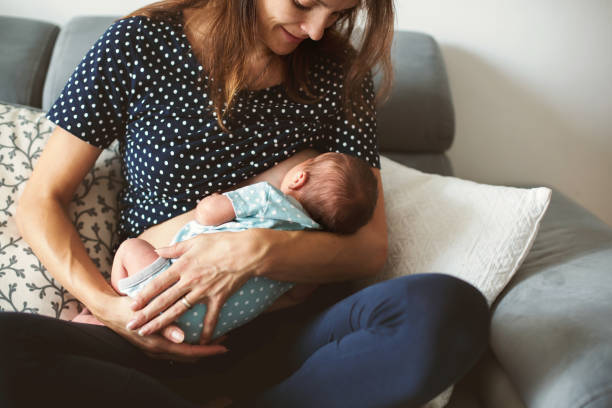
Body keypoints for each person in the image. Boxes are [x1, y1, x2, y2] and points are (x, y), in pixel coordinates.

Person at [2, 1, 490, 407]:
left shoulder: (341, 73)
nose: (318, 29)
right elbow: (40, 201)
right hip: (149, 332)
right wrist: (111, 311)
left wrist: (255, 250)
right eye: (304, 2)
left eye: (338, 12)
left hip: (283, 340)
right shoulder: (139, 43)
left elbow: (368, 247)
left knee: (445, 309)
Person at [74, 152, 379, 344]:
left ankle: (118, 298)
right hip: (204, 330)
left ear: (299, 175)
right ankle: (105, 324)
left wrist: (216, 198)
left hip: (165, 284)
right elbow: (295, 297)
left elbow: (207, 215)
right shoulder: (306, 259)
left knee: (130, 247)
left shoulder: (268, 198)